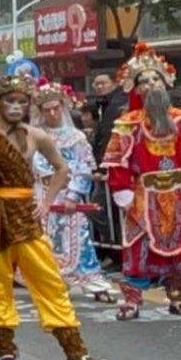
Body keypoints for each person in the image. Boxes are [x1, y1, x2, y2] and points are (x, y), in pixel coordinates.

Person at [0, 74, 107, 360]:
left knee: (49, 282)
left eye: (21, 102)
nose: (15, 107)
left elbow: (63, 168)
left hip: (25, 216)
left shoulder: (36, 135)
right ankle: (6, 352)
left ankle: (76, 355)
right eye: (9, 101)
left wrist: (46, 200)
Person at [102, 45, 181, 319]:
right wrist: (123, 192)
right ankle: (132, 301)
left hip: (178, 195)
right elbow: (117, 161)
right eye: (143, 81)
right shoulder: (128, 123)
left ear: (165, 83)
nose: (151, 84)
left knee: (180, 252)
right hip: (144, 196)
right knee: (138, 248)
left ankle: (177, 300)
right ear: (135, 89)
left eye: (155, 79)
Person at [33, 82, 115, 303]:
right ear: (39, 112)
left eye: (56, 108)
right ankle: (49, 284)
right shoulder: (35, 136)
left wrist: (73, 196)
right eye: (46, 109)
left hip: (67, 194)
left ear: (64, 107)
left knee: (79, 240)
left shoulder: (75, 137)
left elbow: (84, 168)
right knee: (42, 242)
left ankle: (95, 284)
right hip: (41, 195)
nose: (52, 113)